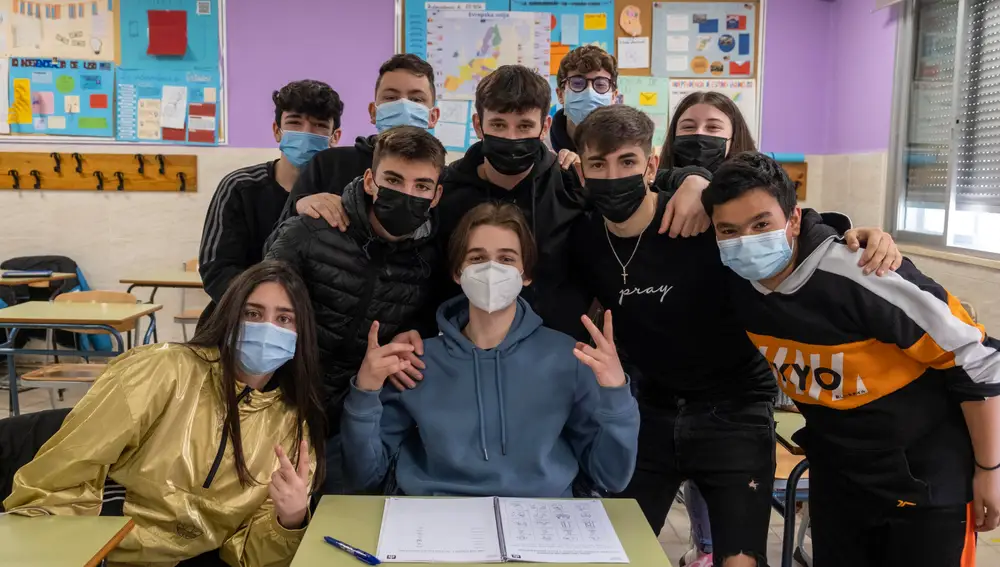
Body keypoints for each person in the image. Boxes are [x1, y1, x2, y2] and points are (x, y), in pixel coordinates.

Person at [569, 105, 903, 567]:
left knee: (740, 561)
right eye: (597, 165)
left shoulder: (696, 217)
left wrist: (853, 236)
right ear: (582, 169)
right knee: (617, 552)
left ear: (650, 165)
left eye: (627, 162)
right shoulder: (583, 236)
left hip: (735, 407)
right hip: (650, 410)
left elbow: (778, 222)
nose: (613, 176)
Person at [703, 151, 1000, 567]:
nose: (745, 241)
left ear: (792, 218)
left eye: (761, 224)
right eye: (728, 230)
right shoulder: (737, 284)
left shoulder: (863, 272)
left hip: (924, 485)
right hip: (839, 481)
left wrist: (990, 470)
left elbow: (979, 359)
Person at [4, 261, 327, 567]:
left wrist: (290, 519)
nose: (267, 329)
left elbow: (249, 557)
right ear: (228, 317)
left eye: (284, 319)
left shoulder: (292, 426)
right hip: (103, 551)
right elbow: (59, 479)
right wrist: (77, 553)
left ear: (302, 334)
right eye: (252, 313)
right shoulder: (162, 370)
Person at [341, 202, 639, 496]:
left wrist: (615, 394)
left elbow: (611, 477)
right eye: (477, 258)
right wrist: (365, 392)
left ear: (526, 274)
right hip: (437, 520)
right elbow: (367, 474)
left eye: (506, 259)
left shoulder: (568, 357)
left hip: (542, 522)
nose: (492, 270)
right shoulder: (418, 361)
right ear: (458, 273)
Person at [265, 126, 446, 494]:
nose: (407, 194)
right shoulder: (311, 231)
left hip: (351, 419)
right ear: (369, 180)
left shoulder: (429, 256)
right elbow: (258, 301)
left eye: (422, 186)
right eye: (393, 180)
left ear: (437, 194)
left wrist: (417, 331)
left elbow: (422, 316)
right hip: (279, 408)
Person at [199, 80, 343, 308]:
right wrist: (264, 313)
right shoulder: (239, 187)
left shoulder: (342, 196)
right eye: (294, 123)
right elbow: (217, 269)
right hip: (245, 319)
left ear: (335, 137)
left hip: (320, 330)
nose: (306, 133)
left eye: (319, 126)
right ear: (277, 131)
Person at [281, 54, 441, 229]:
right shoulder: (328, 164)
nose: (403, 105)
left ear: (433, 116)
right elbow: (278, 238)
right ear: (373, 112)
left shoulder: (441, 177)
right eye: (391, 98)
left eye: (416, 99)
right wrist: (301, 207)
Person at [550, 45, 618, 157]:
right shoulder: (542, 149)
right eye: (577, 83)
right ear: (560, 94)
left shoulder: (626, 148)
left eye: (601, 84)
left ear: (613, 97)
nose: (589, 93)